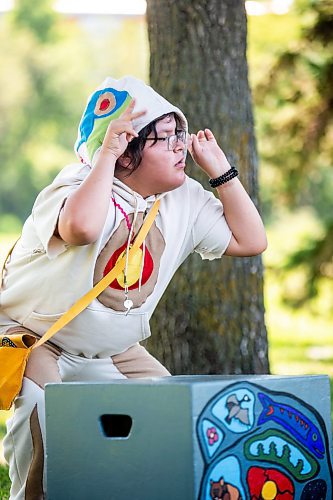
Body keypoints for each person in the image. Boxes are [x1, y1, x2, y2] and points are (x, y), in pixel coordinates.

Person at [0, 76, 267, 499]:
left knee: (165, 425)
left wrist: (222, 171)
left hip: (113, 350)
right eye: (166, 138)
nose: (181, 146)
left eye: (181, 134)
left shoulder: (184, 200)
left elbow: (251, 242)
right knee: (45, 428)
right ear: (125, 152)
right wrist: (105, 154)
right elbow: (82, 228)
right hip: (40, 340)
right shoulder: (76, 186)